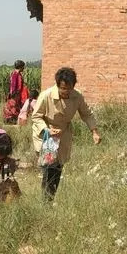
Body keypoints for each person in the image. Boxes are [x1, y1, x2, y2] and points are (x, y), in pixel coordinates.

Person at [31, 67, 101, 200]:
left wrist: (94, 131)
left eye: (68, 88)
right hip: (47, 135)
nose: (65, 91)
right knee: (49, 167)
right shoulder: (46, 95)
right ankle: (46, 200)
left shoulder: (77, 96)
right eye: (63, 88)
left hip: (63, 135)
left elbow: (87, 114)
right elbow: (36, 117)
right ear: (58, 85)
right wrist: (47, 130)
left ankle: (50, 198)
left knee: (58, 167)